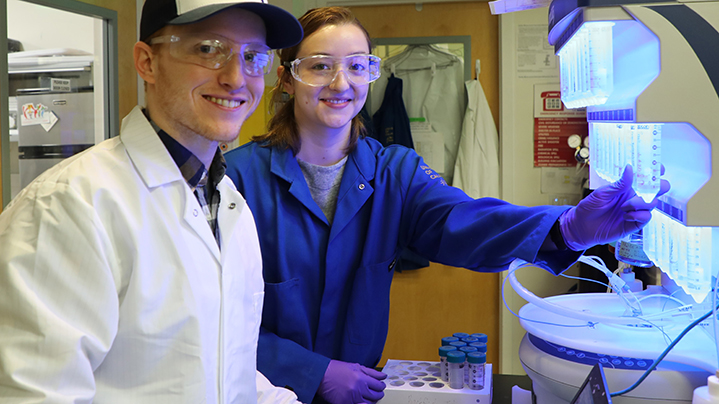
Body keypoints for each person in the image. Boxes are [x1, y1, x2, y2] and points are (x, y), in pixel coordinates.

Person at [223, 7, 670, 404]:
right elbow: (214, 317)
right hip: (256, 389)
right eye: (320, 66)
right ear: (286, 78)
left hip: (359, 391)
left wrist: (568, 228)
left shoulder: (393, 172)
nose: (341, 83)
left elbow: (465, 222)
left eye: (358, 66)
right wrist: (311, 372)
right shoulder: (237, 179)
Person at [0, 0, 305, 402]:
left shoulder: (227, 203)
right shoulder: (69, 206)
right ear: (147, 62)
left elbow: (228, 371)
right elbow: (35, 394)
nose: (236, 78)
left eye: (253, 57)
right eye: (208, 49)